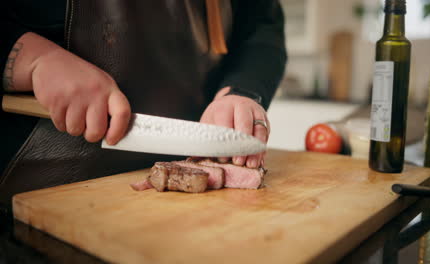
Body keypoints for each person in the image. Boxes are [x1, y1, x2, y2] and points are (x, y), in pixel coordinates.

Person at [0, 0, 286, 205]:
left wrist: (242, 90)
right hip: (36, 200)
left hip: (181, 202)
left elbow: (261, 28)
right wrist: (34, 59)